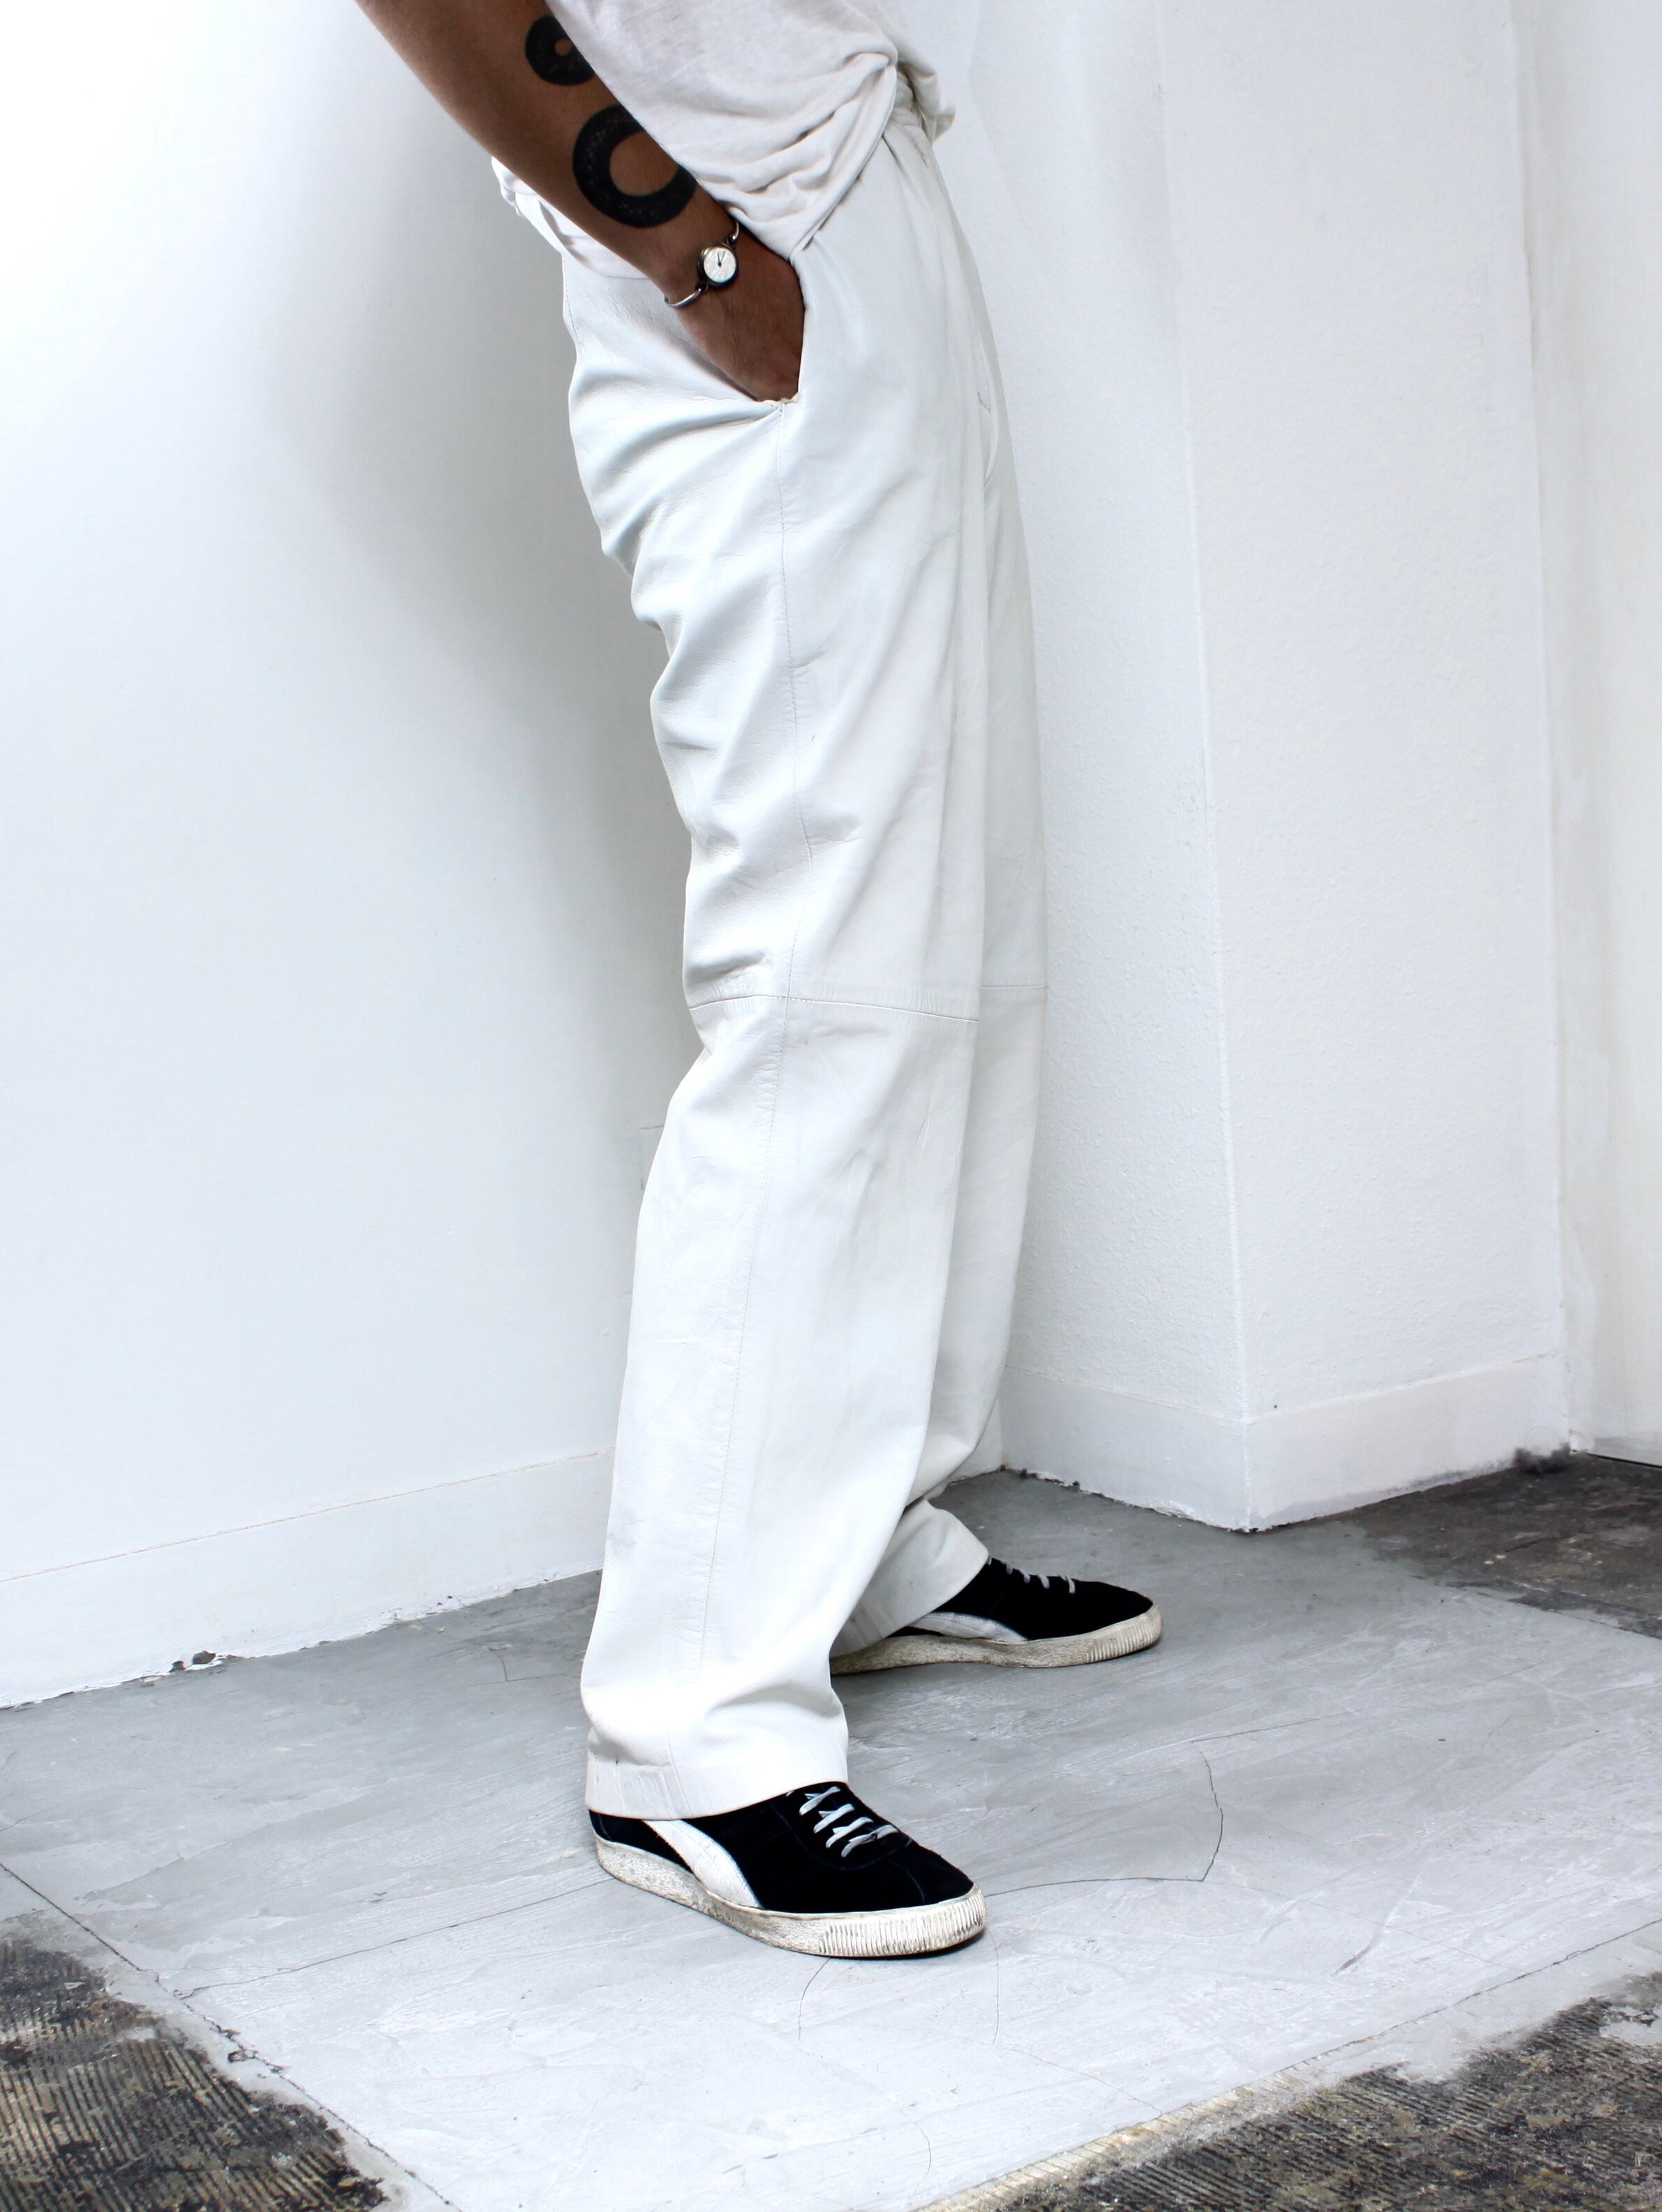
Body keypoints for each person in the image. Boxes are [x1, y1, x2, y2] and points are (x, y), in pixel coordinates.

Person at [352, 0, 1159, 1960]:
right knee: (825, 982)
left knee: (956, 935)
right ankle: (695, 1735)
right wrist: (697, 253)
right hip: (735, 241)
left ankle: (859, 1539)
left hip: (847, 195)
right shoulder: (710, 250)